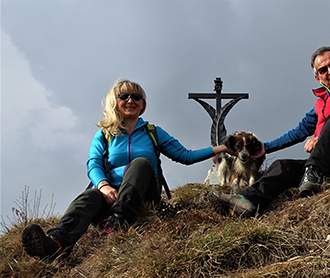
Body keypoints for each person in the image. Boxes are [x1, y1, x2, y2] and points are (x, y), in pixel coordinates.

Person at [22, 79, 230, 263]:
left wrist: (223, 147)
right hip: (111, 195)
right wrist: (103, 187)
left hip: (144, 196)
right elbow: (93, 163)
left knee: (140, 164)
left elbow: (185, 156)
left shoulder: (153, 132)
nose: (131, 100)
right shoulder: (105, 134)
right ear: (116, 101)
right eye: (124, 96)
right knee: (88, 198)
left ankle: (117, 223)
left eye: (136, 97)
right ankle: (55, 245)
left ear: (143, 105)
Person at [211, 46, 330, 217]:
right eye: (323, 69)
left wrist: (320, 137)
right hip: (327, 162)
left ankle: (313, 175)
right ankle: (246, 201)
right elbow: (299, 131)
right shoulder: (320, 103)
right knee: (282, 166)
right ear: (318, 77)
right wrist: (265, 147)